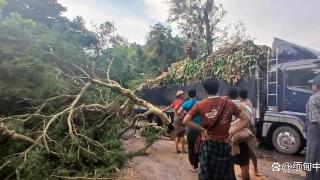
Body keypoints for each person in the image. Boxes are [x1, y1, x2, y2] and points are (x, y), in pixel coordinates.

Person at [183, 78, 250, 180]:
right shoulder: (229, 104)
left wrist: (202, 130)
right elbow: (246, 119)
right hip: (225, 146)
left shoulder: (200, 105)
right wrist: (232, 132)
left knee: (207, 176)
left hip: (209, 146)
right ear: (218, 88)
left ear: (205, 90)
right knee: (225, 176)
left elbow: (186, 121)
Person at [228, 88, 251, 180]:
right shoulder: (244, 105)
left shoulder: (227, 106)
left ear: (228, 95)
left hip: (232, 137)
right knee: (244, 164)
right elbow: (248, 121)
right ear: (237, 95)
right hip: (243, 135)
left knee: (230, 163)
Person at [177, 88, 201, 172]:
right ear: (195, 94)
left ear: (188, 95)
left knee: (191, 146)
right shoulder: (200, 103)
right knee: (200, 145)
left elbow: (179, 111)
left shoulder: (186, 103)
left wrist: (185, 116)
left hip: (190, 127)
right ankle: (201, 164)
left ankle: (194, 167)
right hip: (200, 127)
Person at [238, 88, 260, 177]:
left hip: (246, 129)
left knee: (243, 151)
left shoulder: (241, 105)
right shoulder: (249, 102)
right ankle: (255, 170)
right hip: (252, 128)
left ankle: (244, 171)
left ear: (239, 96)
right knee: (251, 150)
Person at [306, 75, 320, 180]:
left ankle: (310, 177)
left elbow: (317, 120)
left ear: (317, 86)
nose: (311, 86)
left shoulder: (313, 98)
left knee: (311, 153)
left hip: (315, 127)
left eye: (312, 84)